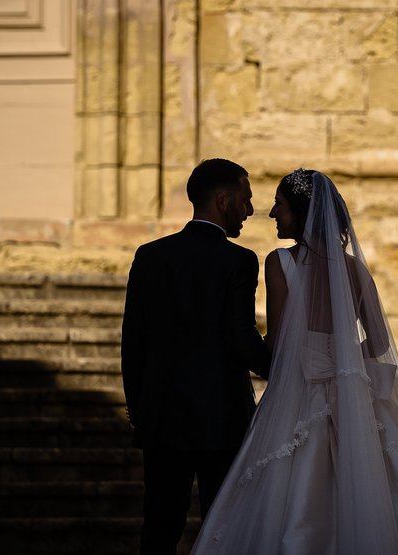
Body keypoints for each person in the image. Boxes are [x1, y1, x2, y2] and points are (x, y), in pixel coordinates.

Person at [191, 169, 398, 555]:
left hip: (297, 393)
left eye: (280, 205)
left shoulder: (279, 263)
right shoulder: (354, 269)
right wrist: (342, 360)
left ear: (301, 213)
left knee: (289, 497)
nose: (272, 213)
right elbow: (378, 342)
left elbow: (279, 342)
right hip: (350, 395)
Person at [121, 158, 272, 555]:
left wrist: (140, 408)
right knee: (223, 524)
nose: (250, 210)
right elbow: (240, 336)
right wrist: (278, 362)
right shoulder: (238, 260)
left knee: (159, 524)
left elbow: (133, 341)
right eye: (245, 199)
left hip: (162, 416)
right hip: (222, 418)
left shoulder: (150, 255)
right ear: (222, 201)